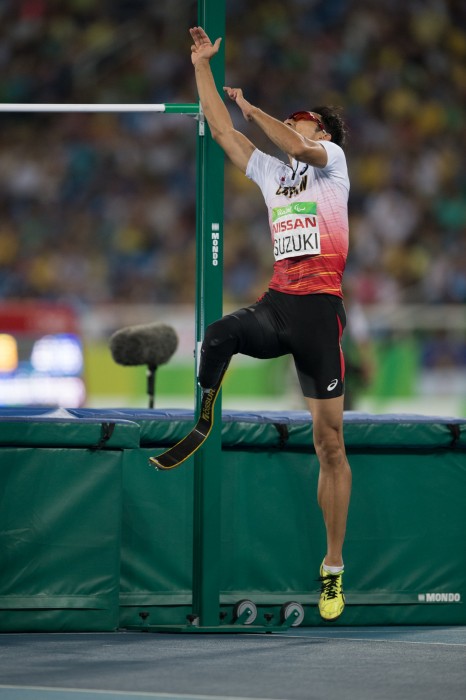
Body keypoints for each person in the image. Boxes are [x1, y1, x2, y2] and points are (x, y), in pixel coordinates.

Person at [189, 26, 352, 621]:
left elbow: (289, 141)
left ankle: (332, 567)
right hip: (278, 303)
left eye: (301, 120)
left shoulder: (331, 164)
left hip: (318, 316)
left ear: (322, 131)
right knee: (220, 334)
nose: (293, 126)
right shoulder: (269, 173)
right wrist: (202, 66)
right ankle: (204, 417)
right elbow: (221, 131)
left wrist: (256, 108)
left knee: (328, 442)